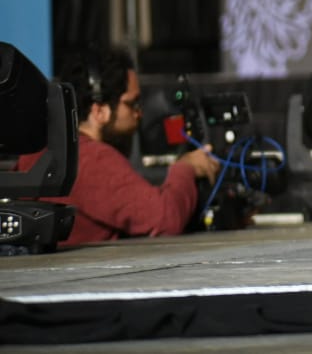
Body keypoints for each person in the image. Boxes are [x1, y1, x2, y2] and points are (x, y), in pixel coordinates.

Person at [21, 48, 220, 245]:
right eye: (132, 104)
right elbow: (165, 218)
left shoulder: (37, 152)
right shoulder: (92, 159)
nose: (139, 113)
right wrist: (186, 168)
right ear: (99, 111)